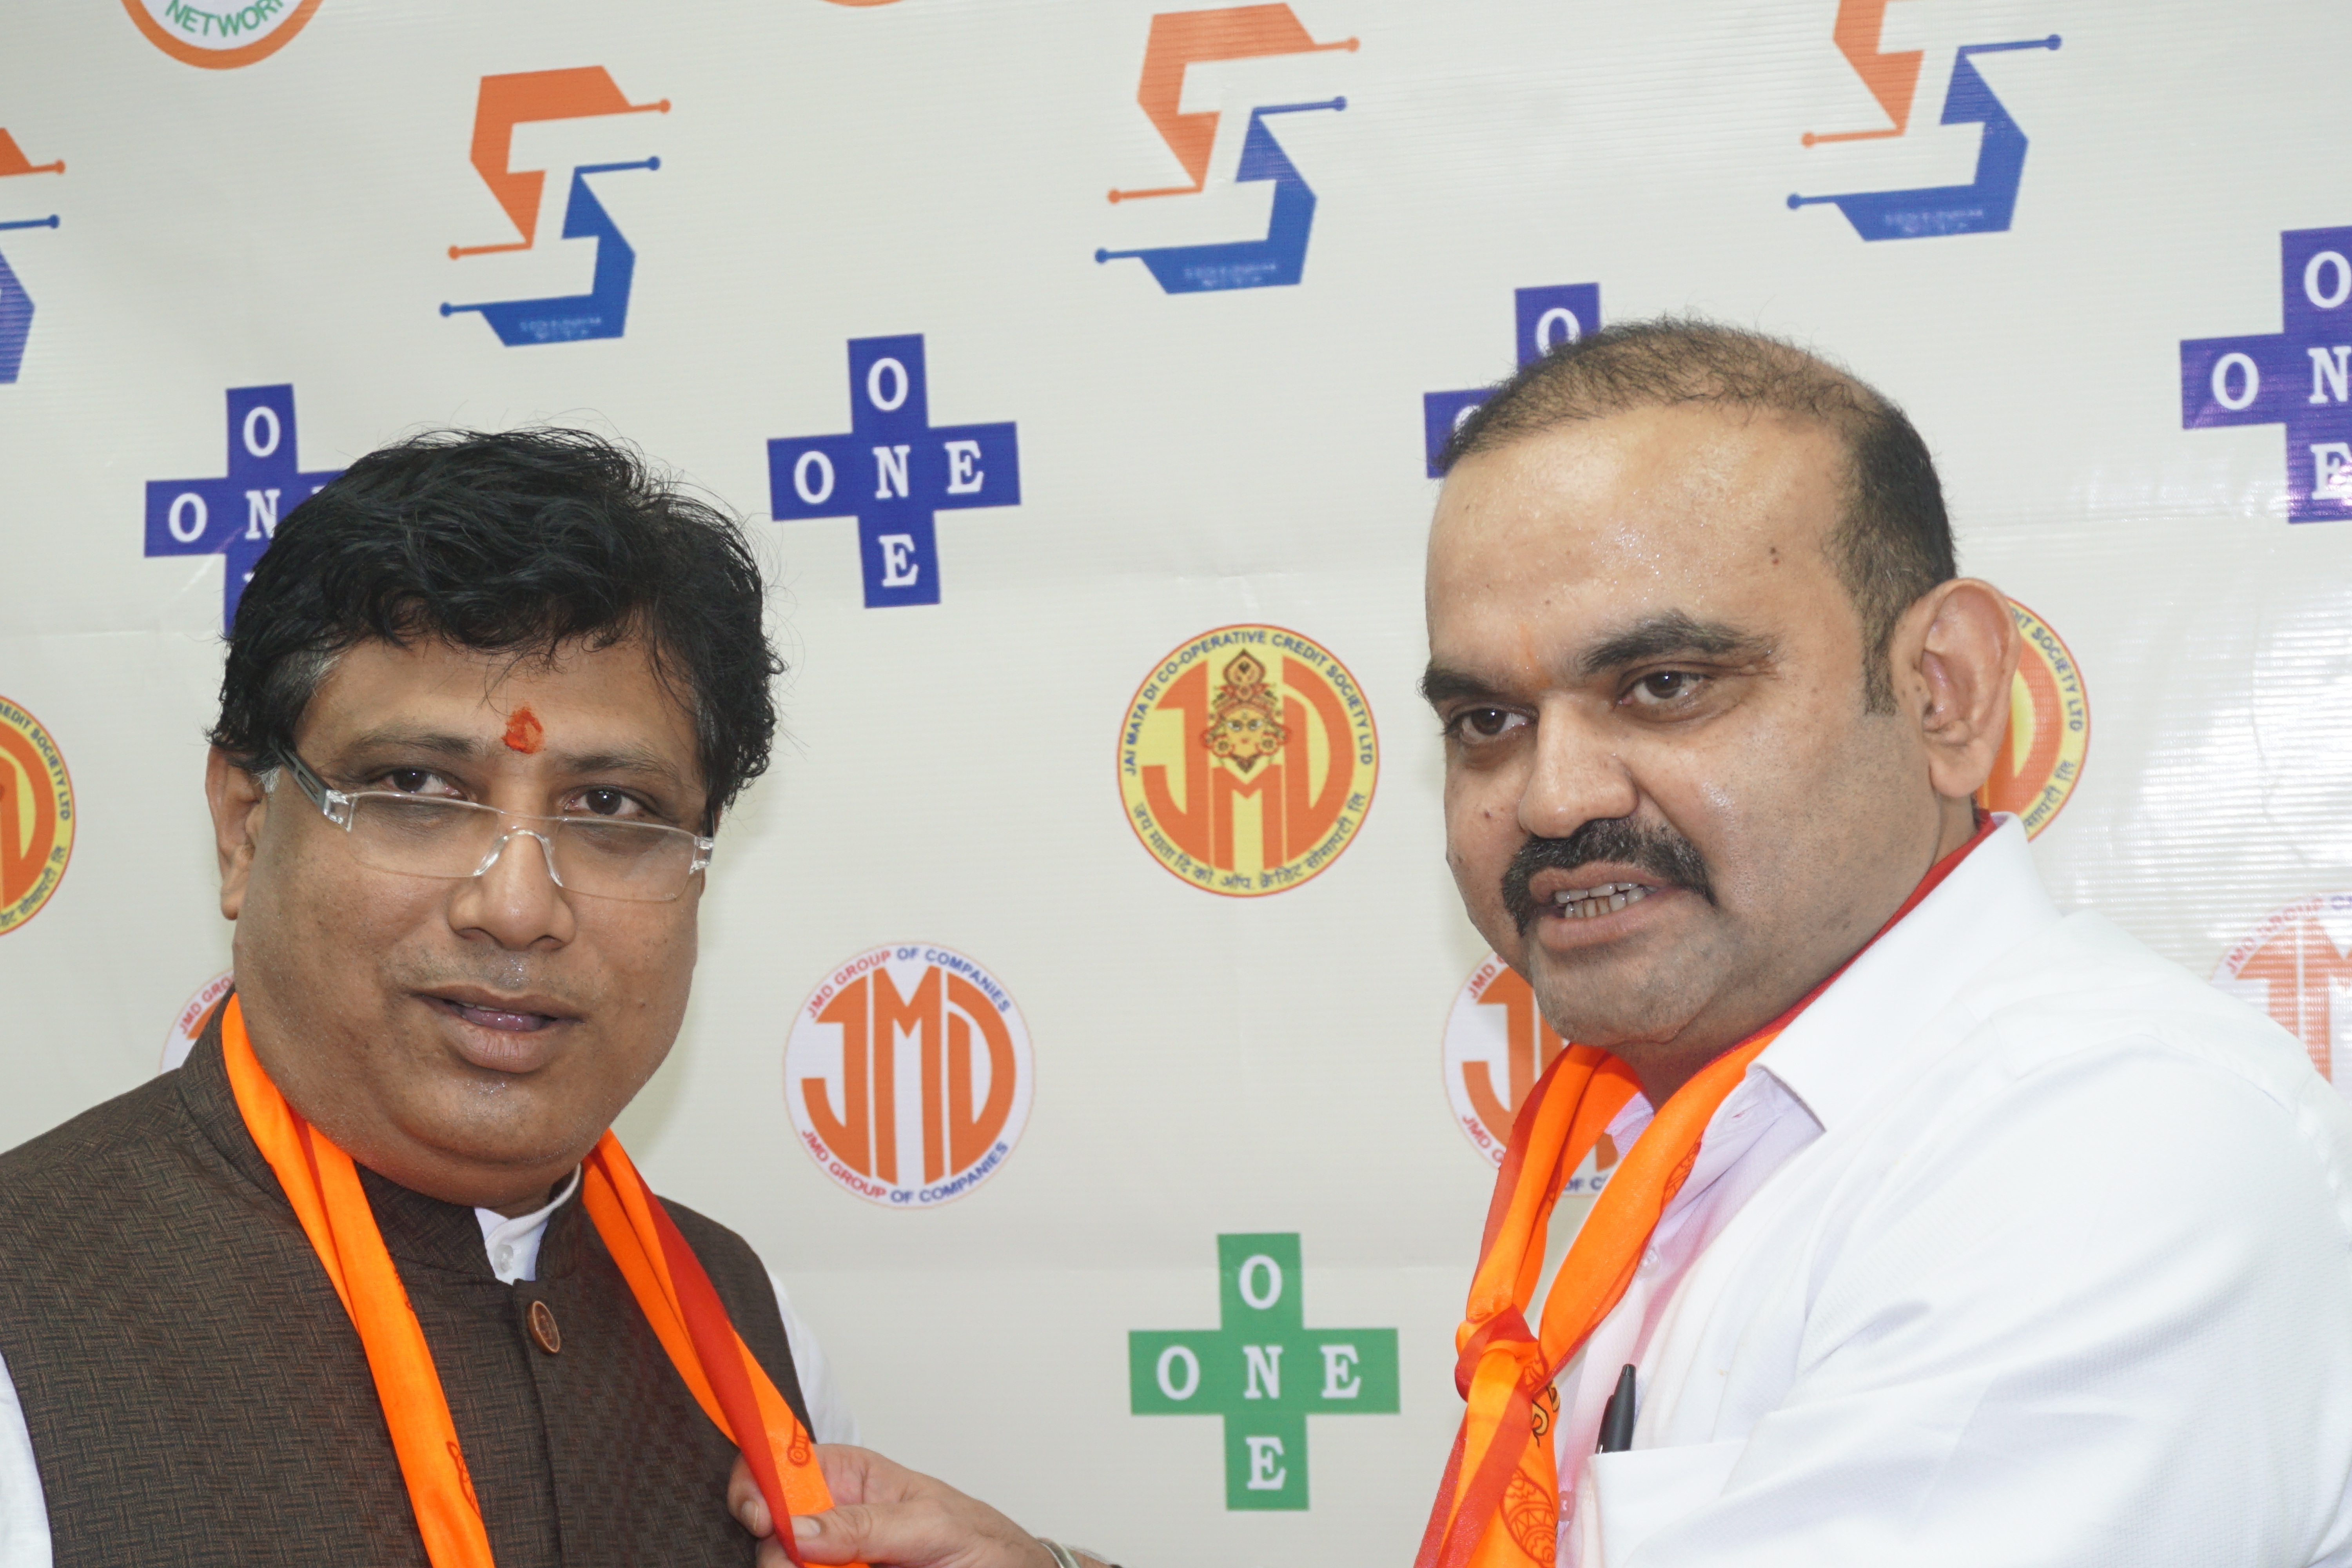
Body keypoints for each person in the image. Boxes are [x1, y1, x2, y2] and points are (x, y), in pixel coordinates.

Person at [770, 321, 2352, 1567]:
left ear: (1943, 692)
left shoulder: (2114, 1147)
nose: (1552, 796)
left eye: (1665, 685)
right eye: (1486, 718)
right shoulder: (1675, 1132)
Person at [0, 429, 876, 1564]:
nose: (517, 906)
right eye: (417, 787)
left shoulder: (748, 1331)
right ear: (245, 828)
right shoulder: (34, 1312)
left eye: (612, 807)